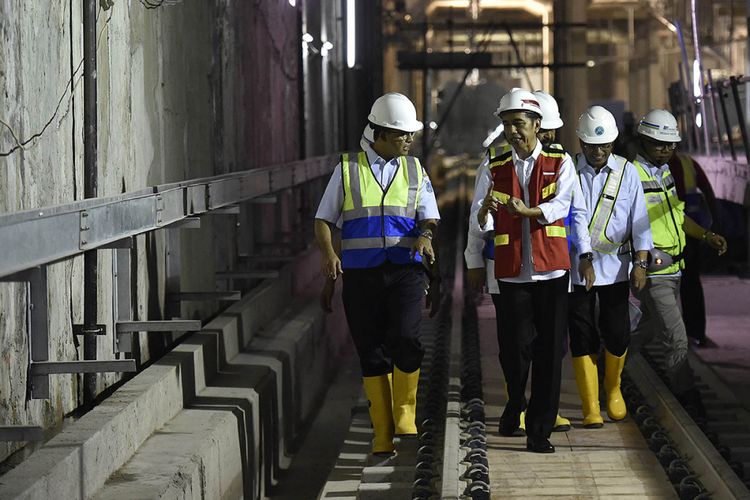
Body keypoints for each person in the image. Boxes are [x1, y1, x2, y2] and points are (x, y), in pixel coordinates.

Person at [315, 92, 440, 455]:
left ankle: (404, 414)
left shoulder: (415, 169)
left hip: (406, 273)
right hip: (362, 277)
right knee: (371, 352)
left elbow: (428, 216)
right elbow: (323, 219)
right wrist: (327, 257)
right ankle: (382, 434)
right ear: (380, 134)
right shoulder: (348, 169)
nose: (409, 140)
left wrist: (426, 236)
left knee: (407, 337)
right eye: (402, 134)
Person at [472, 88, 594, 453]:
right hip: (511, 273)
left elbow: (566, 204)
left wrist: (530, 212)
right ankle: (515, 402)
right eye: (507, 123)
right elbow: (478, 216)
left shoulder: (561, 163)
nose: (512, 130)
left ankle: (538, 430)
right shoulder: (494, 166)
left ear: (537, 126)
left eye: (518, 123)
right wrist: (475, 254)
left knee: (548, 352)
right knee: (514, 349)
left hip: (552, 272)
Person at [630, 109, 727, 413]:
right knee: (677, 337)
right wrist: (640, 265)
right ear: (643, 140)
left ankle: (611, 365)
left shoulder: (665, 172)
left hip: (675, 267)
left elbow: (678, 216)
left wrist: (706, 235)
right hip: (654, 269)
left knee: (646, 329)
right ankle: (688, 398)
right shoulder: (632, 175)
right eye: (659, 144)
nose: (666, 149)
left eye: (670, 144)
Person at [567, 106, 653, 428]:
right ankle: (590, 404)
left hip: (616, 265)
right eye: (592, 146)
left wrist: (641, 262)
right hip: (576, 268)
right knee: (581, 333)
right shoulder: (569, 170)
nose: (599, 152)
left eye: (605, 146)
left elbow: (640, 221)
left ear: (614, 143)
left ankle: (613, 388)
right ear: (581, 143)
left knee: (617, 333)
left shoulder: (626, 172)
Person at [668, 153, 720, 346]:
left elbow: (707, 191)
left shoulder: (688, 164)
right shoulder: (648, 167)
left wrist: (714, 224)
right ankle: (687, 334)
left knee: (690, 284)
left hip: (689, 235)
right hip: (665, 236)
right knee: (670, 288)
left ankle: (695, 333)